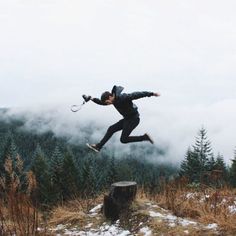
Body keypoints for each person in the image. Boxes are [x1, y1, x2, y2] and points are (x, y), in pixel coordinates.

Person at [86, 85, 160, 152]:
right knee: (111, 129)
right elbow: (102, 102)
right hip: (127, 119)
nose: (107, 104)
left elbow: (137, 94)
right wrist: (91, 98)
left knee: (123, 140)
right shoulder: (112, 100)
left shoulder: (123, 97)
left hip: (134, 120)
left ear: (110, 97)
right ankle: (98, 147)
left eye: (107, 102)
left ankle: (144, 137)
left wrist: (151, 94)